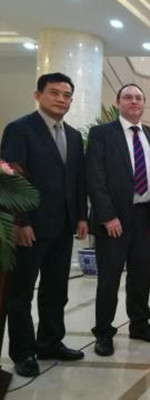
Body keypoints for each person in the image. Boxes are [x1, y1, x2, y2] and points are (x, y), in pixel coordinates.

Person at [0, 72, 88, 377]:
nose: (61, 99)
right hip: (31, 227)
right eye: (54, 93)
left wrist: (81, 216)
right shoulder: (19, 129)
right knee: (21, 293)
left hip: (63, 227)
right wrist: (20, 221)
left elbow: (77, 180)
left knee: (56, 289)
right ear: (38, 95)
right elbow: (12, 178)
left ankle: (50, 342)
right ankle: (23, 352)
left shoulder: (73, 136)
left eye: (67, 95)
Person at [87, 83, 150, 356]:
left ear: (143, 103)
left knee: (142, 275)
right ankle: (103, 332)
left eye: (138, 97)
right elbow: (95, 178)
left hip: (147, 218)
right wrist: (107, 216)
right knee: (109, 279)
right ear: (118, 103)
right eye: (128, 97)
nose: (134, 101)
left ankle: (140, 324)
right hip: (114, 220)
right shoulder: (102, 134)